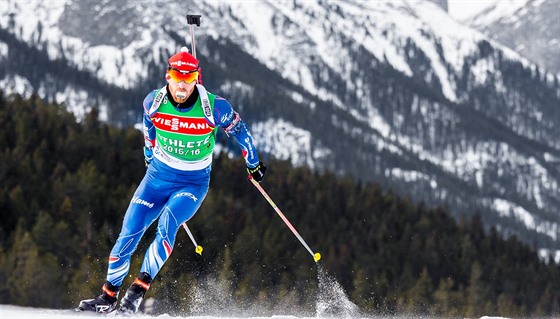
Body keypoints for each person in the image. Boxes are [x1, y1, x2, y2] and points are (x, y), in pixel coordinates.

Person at [77, 47, 267, 315]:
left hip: (192, 183)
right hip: (157, 177)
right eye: (177, 77)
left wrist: (253, 163)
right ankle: (107, 297)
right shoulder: (152, 102)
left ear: (196, 80)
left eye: (188, 79)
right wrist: (148, 155)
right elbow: (148, 129)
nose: (182, 84)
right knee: (128, 233)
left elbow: (240, 130)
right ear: (168, 76)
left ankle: (135, 295)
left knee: (167, 224)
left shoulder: (213, 107)